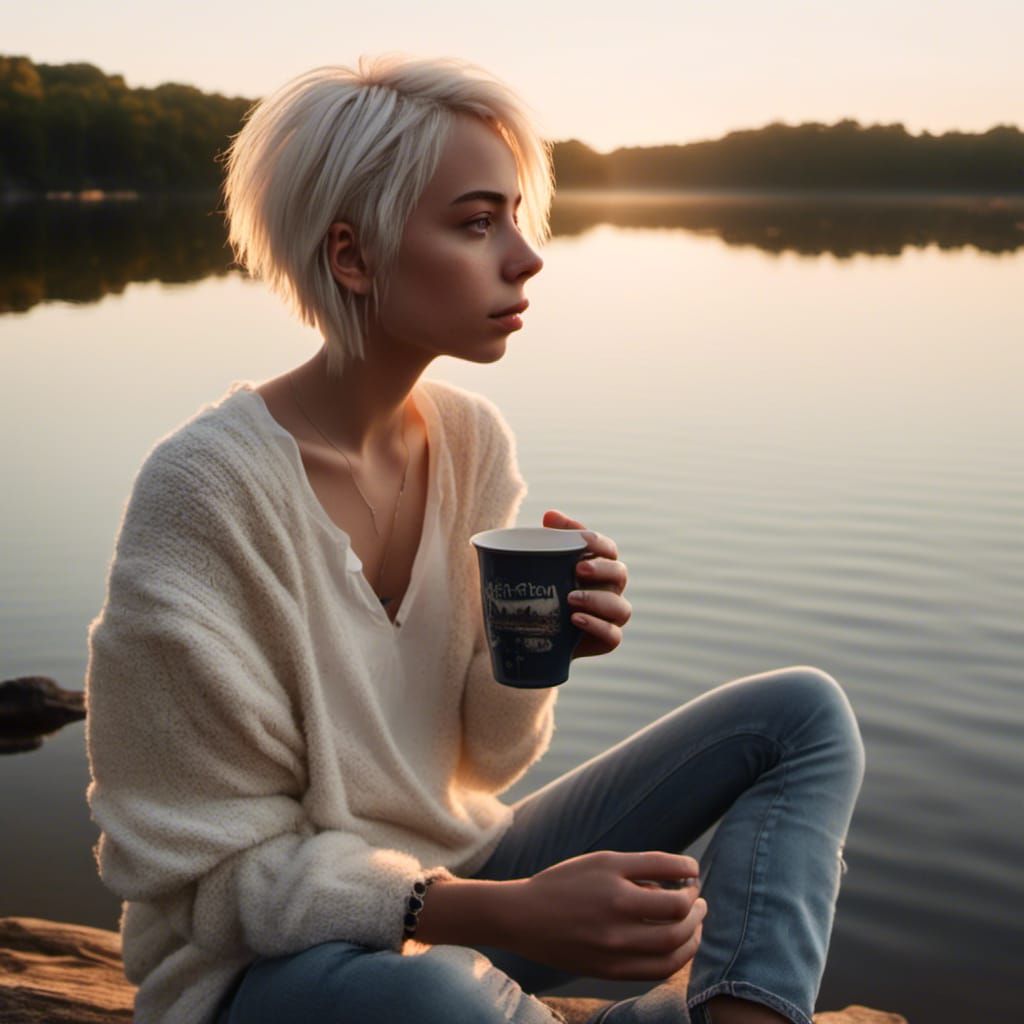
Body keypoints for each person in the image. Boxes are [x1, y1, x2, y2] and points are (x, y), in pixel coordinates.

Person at [85, 55, 865, 1024]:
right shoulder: (202, 495)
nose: (527, 256)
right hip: (262, 967)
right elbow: (209, 875)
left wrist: (530, 652)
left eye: (519, 218)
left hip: (453, 872)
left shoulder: (469, 439)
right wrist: (496, 912)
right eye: (476, 221)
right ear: (352, 256)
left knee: (800, 715)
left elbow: (482, 763)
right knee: (436, 997)